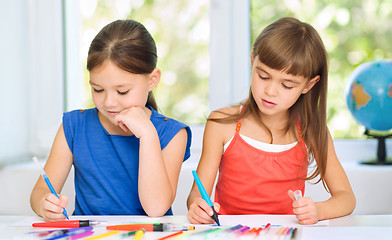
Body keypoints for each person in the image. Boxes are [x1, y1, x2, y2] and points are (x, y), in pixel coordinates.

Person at [187, 17, 355, 225]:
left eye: (287, 85)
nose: (271, 91)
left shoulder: (311, 130)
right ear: (252, 61)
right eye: (263, 76)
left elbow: (346, 198)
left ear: (308, 85)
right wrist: (198, 207)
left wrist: (319, 210)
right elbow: (196, 194)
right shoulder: (221, 124)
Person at [30, 19, 192, 221]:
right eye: (97, 89)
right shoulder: (74, 126)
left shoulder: (173, 134)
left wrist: (148, 135)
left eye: (122, 91)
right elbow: (40, 191)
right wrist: (44, 203)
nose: (109, 102)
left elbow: (156, 208)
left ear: (152, 80)